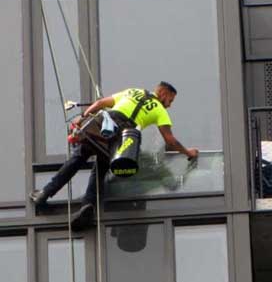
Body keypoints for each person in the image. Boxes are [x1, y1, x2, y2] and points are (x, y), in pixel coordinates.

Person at [29, 81, 199, 229]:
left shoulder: (133, 91)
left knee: (78, 158)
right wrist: (188, 152)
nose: (169, 104)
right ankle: (87, 205)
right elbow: (170, 141)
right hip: (122, 137)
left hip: (104, 124)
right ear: (163, 93)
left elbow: (101, 103)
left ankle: (44, 193)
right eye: (170, 100)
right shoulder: (160, 111)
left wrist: (82, 118)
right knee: (100, 169)